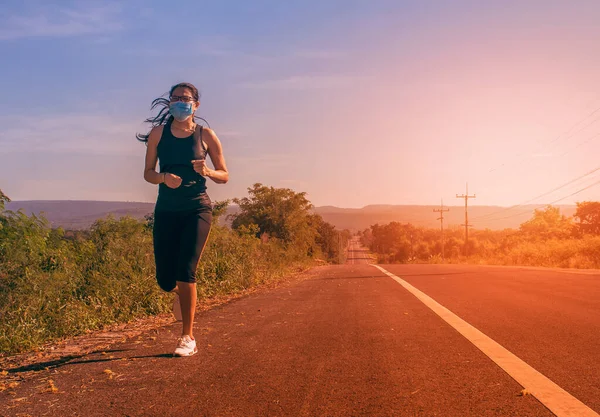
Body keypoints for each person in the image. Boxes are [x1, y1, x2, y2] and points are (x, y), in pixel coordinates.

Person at [138, 82, 229, 357]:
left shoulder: (206, 135)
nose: (180, 102)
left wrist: (209, 172)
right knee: (166, 280)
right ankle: (178, 292)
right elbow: (147, 173)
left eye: (185, 98)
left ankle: (187, 336)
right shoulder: (158, 134)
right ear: (169, 103)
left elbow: (225, 174)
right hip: (166, 209)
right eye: (175, 98)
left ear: (195, 105)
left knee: (186, 270)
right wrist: (164, 178)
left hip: (197, 209)